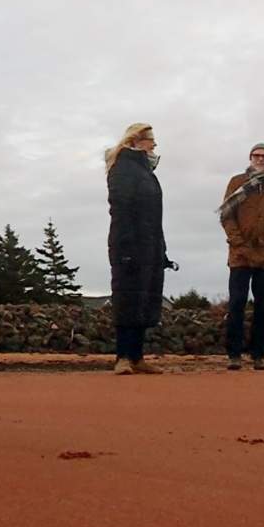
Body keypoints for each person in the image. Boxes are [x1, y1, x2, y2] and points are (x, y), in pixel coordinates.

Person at [105, 123, 176, 375]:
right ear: (135, 142)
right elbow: (121, 210)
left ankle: (137, 357)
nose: (154, 145)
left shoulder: (147, 173)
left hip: (151, 245)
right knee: (127, 299)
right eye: (150, 141)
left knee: (145, 300)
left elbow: (155, 218)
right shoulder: (123, 168)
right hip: (130, 245)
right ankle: (122, 357)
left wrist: (162, 251)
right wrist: (124, 248)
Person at [217, 142, 264, 370]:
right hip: (240, 254)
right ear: (250, 158)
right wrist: (237, 242)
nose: (260, 159)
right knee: (237, 303)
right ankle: (234, 355)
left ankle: (259, 355)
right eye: (256, 155)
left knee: (263, 306)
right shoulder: (238, 183)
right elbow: (227, 215)